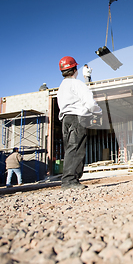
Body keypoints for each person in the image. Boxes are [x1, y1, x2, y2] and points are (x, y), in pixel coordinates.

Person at [57, 56, 102, 190]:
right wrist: (98, 111)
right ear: (75, 69)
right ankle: (69, 181)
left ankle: (71, 179)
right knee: (76, 148)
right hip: (77, 118)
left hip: (65, 119)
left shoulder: (62, 87)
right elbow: (89, 102)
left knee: (70, 149)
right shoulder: (77, 84)